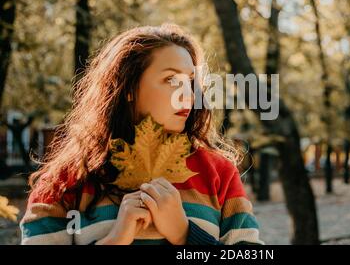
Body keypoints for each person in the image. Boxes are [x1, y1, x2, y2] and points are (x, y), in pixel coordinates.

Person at [19, 23, 264, 245]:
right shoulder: (65, 180)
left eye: (190, 82)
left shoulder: (218, 173)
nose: (188, 95)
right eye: (170, 79)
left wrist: (185, 234)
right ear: (128, 88)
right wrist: (115, 239)